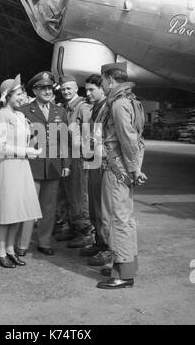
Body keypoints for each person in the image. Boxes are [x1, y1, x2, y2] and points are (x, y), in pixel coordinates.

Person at [96, 62, 147, 290]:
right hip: (124, 169)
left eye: (103, 80)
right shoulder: (131, 101)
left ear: (109, 79)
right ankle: (123, 266)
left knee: (117, 221)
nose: (103, 85)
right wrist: (136, 168)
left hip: (117, 170)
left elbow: (128, 140)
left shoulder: (118, 105)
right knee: (124, 219)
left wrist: (134, 169)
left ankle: (123, 276)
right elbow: (138, 139)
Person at [16, 71, 71, 256]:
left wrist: (66, 164)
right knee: (29, 206)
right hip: (32, 166)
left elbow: (65, 141)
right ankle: (22, 244)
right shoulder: (24, 111)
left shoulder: (59, 111)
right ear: (34, 90)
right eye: (43, 88)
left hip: (53, 166)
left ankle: (44, 241)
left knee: (49, 207)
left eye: (49, 87)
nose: (47, 91)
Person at [0, 75, 42, 268]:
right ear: (8, 95)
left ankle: (10, 250)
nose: (22, 97)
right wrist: (27, 152)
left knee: (18, 212)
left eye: (23, 93)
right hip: (9, 167)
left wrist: (32, 143)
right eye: (19, 93)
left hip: (21, 167)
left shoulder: (20, 116)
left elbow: (26, 140)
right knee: (6, 212)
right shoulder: (0, 115)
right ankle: (0, 251)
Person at [55, 75, 93, 249]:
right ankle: (71, 226)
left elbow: (89, 132)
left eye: (69, 88)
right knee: (66, 193)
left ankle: (84, 232)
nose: (66, 91)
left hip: (78, 156)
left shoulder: (82, 107)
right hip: (66, 155)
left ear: (76, 89)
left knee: (78, 193)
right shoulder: (65, 107)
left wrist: (87, 155)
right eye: (63, 89)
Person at [81, 74, 111, 264]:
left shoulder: (108, 108)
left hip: (104, 163)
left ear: (102, 88)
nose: (89, 93)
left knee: (104, 209)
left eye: (92, 89)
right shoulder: (95, 109)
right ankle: (99, 243)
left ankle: (108, 248)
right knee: (94, 206)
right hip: (93, 161)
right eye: (87, 90)